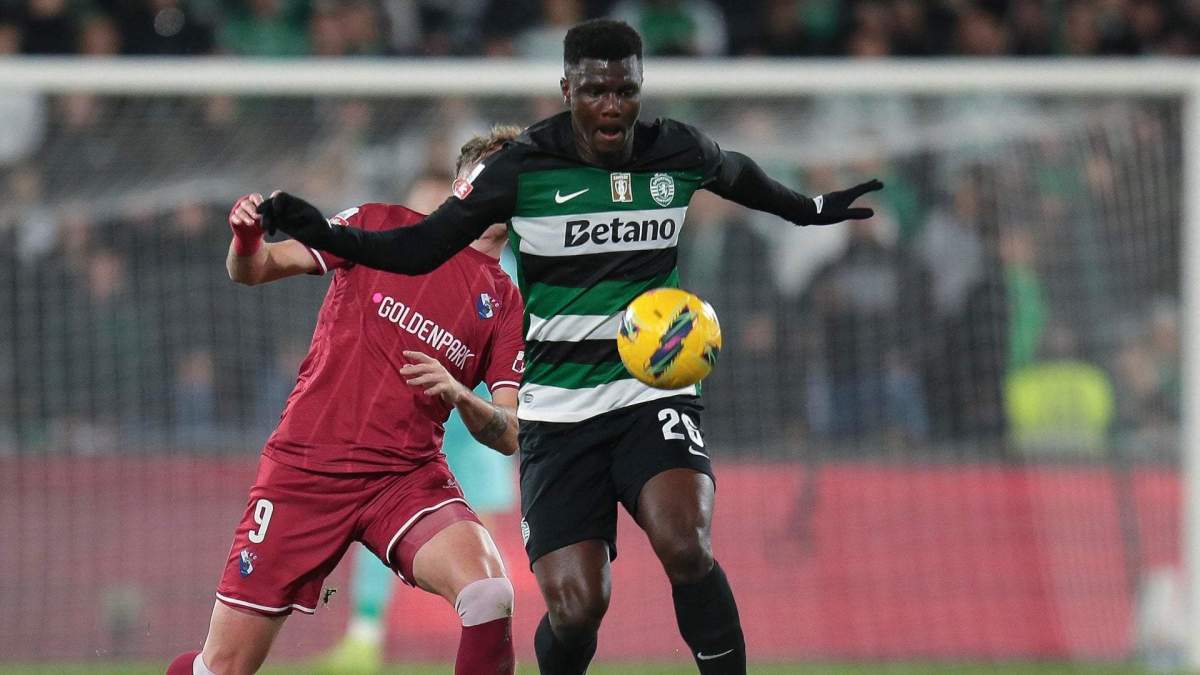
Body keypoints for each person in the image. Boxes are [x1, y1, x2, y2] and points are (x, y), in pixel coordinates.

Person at [259, 19, 881, 675]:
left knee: (685, 542)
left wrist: (811, 208)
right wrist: (327, 234)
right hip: (558, 413)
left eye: (624, 90)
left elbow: (738, 174)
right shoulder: (523, 167)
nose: (611, 105)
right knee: (578, 607)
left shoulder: (676, 149)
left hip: (651, 390)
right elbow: (419, 246)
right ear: (567, 90)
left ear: (639, 88)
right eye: (595, 91)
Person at [165, 127, 526, 675]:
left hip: (403, 477)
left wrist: (460, 395)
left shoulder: (506, 300)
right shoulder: (378, 225)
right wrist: (246, 239)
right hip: (306, 469)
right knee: (223, 666)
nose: (509, 187)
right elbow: (256, 269)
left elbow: (510, 432)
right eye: (498, 174)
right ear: (463, 184)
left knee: (489, 592)